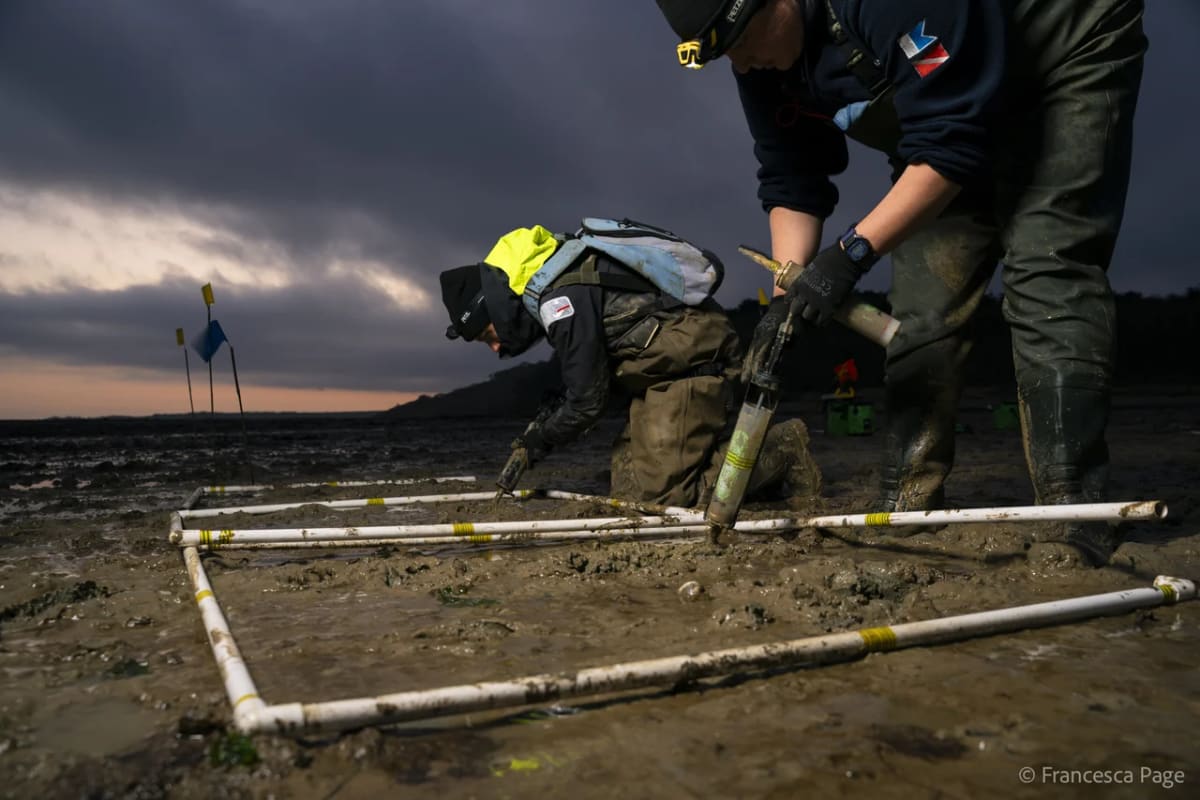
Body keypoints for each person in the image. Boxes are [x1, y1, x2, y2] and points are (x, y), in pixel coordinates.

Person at [652, 0, 1146, 565]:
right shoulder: (760, 61)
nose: (739, 63)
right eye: (721, 54)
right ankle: (908, 499)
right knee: (923, 307)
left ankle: (1074, 509)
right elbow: (792, 177)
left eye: (740, 38)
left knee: (1046, 266)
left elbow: (953, 141)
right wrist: (787, 299)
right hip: (950, 110)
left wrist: (850, 254)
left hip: (1061, 52)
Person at [439, 219, 821, 508]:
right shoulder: (555, 277)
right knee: (628, 497)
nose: (494, 347)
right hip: (660, 374)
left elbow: (587, 401)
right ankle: (756, 483)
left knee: (666, 500)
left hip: (692, 366)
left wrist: (538, 440)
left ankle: (782, 448)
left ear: (493, 309)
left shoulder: (559, 300)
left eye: (487, 335)